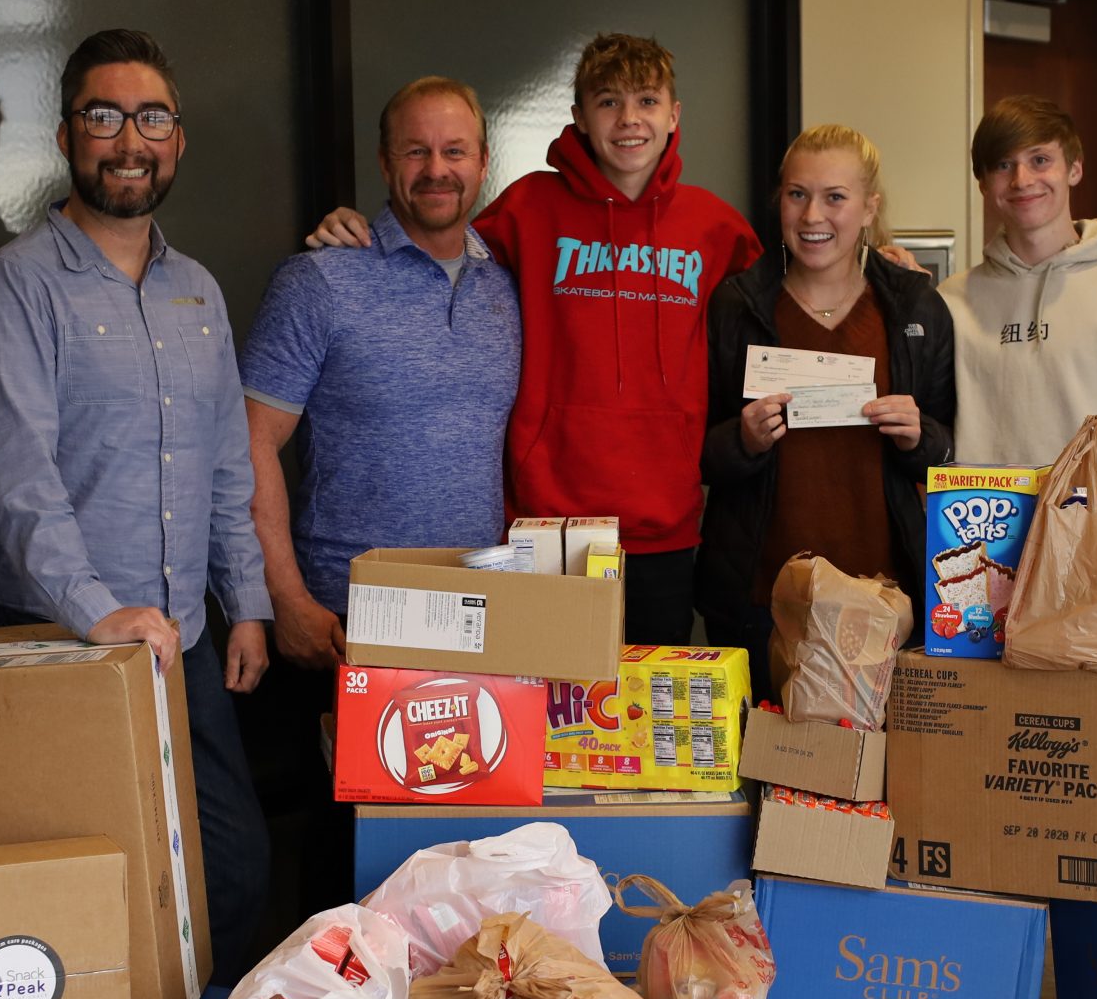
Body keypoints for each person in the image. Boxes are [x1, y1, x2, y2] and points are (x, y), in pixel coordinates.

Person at [0, 27, 273, 984]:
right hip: (55, 636)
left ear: (177, 140)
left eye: (151, 118)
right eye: (104, 116)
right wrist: (97, 611)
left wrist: (249, 600)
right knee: (83, 894)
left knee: (233, 878)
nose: (127, 140)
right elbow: (19, 477)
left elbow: (227, 460)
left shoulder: (199, 293)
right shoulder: (17, 284)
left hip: (176, 640)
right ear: (67, 136)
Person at [307, 34, 763, 643]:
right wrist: (356, 224)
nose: (629, 120)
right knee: (549, 717)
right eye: (607, 103)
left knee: (646, 726)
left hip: (665, 524)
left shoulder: (714, 225)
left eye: (648, 101)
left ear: (674, 115)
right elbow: (437, 246)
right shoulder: (528, 208)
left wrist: (875, 259)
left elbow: (782, 298)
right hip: (543, 527)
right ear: (577, 116)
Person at [241, 77, 521, 667]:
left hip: (481, 613)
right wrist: (285, 598)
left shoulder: (506, 286)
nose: (436, 169)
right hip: (348, 613)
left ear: (483, 161)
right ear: (384, 161)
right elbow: (248, 443)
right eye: (415, 150)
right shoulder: (319, 281)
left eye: (454, 150)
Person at [698, 124, 955, 682]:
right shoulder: (737, 305)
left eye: (835, 197)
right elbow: (702, 452)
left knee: (872, 767)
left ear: (869, 208)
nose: (813, 216)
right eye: (797, 194)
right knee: (763, 762)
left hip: (884, 599)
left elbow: (946, 452)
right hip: (763, 598)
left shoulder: (914, 307)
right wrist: (743, 439)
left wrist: (918, 436)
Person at [941, 95, 1097, 475]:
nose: (1022, 180)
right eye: (1003, 164)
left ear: (1074, 168)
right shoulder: (950, 302)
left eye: (1040, 160)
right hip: (981, 528)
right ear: (982, 182)